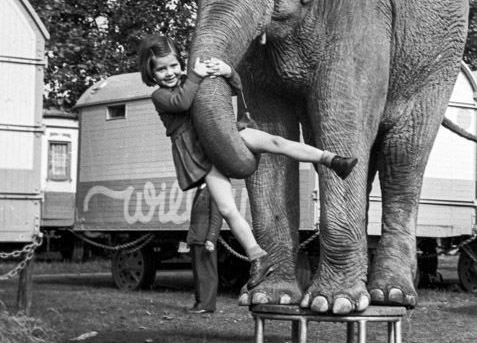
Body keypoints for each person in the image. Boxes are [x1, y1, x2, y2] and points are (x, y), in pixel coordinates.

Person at [138, 34, 357, 290]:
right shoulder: (160, 96)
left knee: (277, 142)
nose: (169, 72)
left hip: (226, 134)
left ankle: (331, 160)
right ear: (151, 73)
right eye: (161, 69)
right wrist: (196, 75)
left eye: (173, 65)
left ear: (180, 62)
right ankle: (257, 258)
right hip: (202, 154)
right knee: (228, 209)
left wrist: (228, 70)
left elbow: (235, 86)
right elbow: (183, 101)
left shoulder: (191, 79)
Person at [187, 183, 222, 314]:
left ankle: (206, 304)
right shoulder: (200, 190)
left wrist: (211, 238)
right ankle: (200, 302)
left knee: (207, 272)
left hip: (204, 237)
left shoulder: (212, 190)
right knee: (199, 273)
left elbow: (216, 217)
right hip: (197, 236)